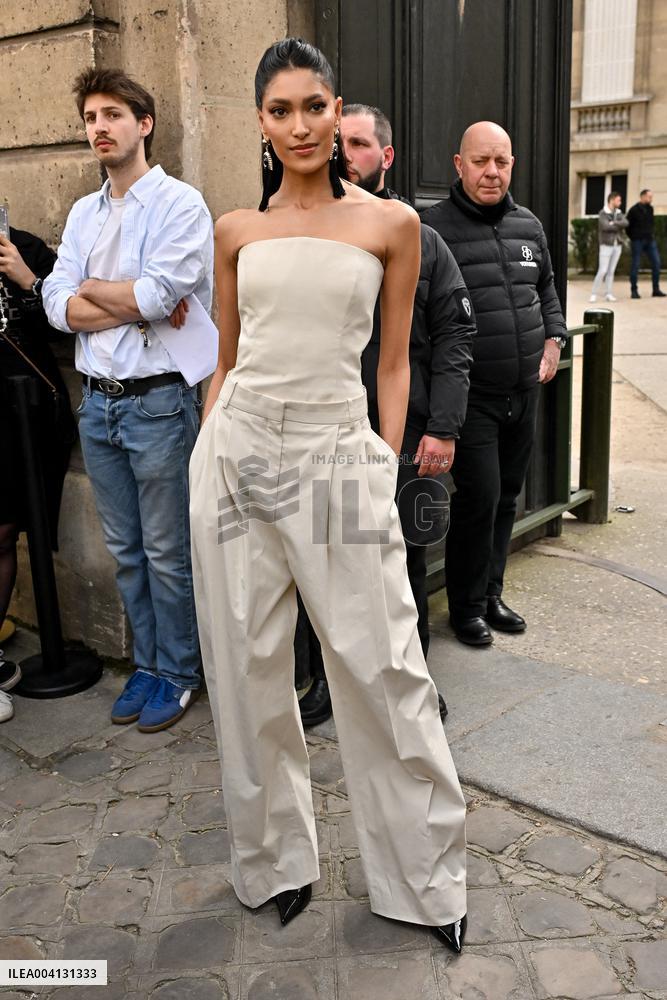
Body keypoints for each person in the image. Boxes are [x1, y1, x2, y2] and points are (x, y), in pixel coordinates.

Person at [189, 38, 467, 952]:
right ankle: (273, 864)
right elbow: (227, 359)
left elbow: (393, 360)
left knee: (381, 660)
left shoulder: (390, 225)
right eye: (281, 111)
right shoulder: (235, 229)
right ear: (261, 123)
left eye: (314, 107)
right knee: (247, 666)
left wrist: (379, 462)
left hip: (336, 453)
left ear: (336, 109)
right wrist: (206, 447)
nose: (301, 126)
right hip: (236, 453)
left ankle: (424, 882)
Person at [43, 68, 213, 732]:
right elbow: (57, 306)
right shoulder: (84, 213)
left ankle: (179, 672)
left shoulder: (179, 204)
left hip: (160, 404)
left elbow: (160, 296)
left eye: (112, 114)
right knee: (128, 551)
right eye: (90, 117)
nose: (100, 128)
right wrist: (128, 301)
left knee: (169, 552)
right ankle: (147, 664)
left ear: (142, 124)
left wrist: (104, 292)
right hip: (101, 404)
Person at [295, 102, 475, 728]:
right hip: (319, 434)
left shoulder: (420, 240)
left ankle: (411, 683)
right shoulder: (299, 235)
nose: (347, 152)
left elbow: (453, 337)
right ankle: (322, 681)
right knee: (316, 559)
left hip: (404, 439)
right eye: (339, 141)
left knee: (402, 562)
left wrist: (444, 428)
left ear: (386, 157)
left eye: (361, 144)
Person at [422, 121, 567, 646]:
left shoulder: (529, 225)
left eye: (501, 162)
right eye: (481, 161)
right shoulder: (432, 228)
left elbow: (547, 288)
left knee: (507, 496)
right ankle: (464, 608)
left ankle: (491, 594)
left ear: (512, 165)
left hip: (523, 391)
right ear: (458, 166)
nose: (492, 172)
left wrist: (555, 337)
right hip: (472, 396)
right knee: (478, 499)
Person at [0, 226, 77, 723]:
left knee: (3, 530)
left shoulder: (21, 247)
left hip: (17, 416)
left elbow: (63, 323)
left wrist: (26, 281)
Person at [627, 188, 666, 299]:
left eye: (651, 197)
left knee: (657, 263)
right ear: (642, 196)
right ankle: (634, 290)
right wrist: (634, 237)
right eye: (649, 196)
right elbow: (628, 227)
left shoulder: (650, 209)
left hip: (649, 240)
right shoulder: (633, 210)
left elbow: (651, 223)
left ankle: (656, 289)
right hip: (637, 241)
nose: (651, 199)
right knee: (635, 265)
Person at [590, 191, 628, 303]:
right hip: (606, 245)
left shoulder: (619, 212)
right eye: (618, 200)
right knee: (603, 270)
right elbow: (605, 226)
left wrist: (613, 223)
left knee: (611, 271)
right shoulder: (603, 213)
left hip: (617, 245)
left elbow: (625, 223)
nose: (620, 202)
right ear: (611, 200)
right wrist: (617, 224)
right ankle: (593, 294)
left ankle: (608, 294)